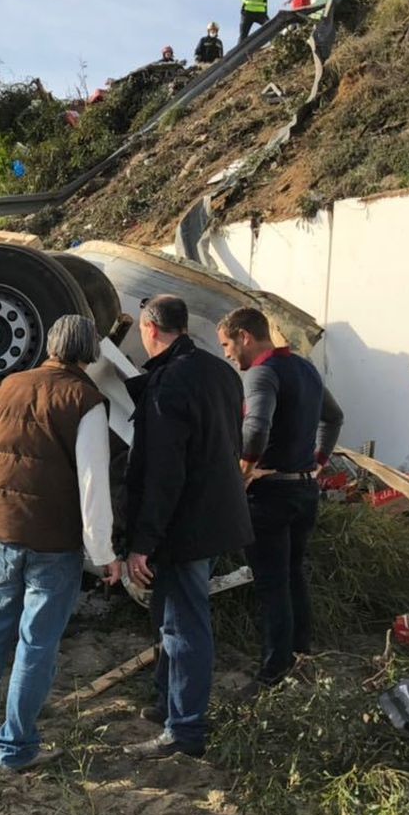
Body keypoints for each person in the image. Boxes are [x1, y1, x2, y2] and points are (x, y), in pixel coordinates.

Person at [0, 315, 123, 772]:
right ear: (89, 352)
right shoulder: (86, 399)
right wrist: (104, 553)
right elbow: (93, 483)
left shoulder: (8, 385)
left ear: (49, 345)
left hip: (2, 532)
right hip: (53, 541)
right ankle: (16, 747)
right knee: (35, 644)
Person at [122, 296, 252, 760]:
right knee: (170, 617)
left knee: (183, 625)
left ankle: (186, 728)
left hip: (185, 524)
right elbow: (231, 442)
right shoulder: (220, 373)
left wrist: (143, 542)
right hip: (219, 515)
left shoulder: (168, 383)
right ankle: (167, 705)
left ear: (151, 329)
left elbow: (163, 471)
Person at [217, 307, 344, 688]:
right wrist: (318, 461)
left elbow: (255, 427)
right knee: (293, 574)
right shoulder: (305, 369)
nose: (226, 354)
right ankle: (302, 656)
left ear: (245, 336)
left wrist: (241, 473)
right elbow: (334, 417)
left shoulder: (262, 374)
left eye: (226, 344)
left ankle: (273, 671)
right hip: (305, 489)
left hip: (271, 492)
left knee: (272, 582)